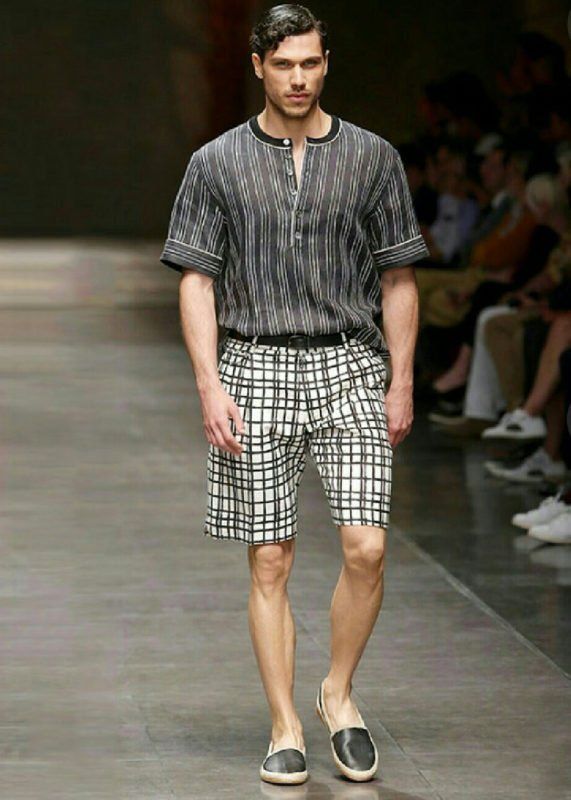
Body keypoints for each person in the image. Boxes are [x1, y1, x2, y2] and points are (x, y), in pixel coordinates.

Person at [159, 2, 429, 787]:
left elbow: (398, 276)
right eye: (283, 64)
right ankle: (284, 723)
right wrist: (209, 383)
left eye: (310, 62)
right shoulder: (215, 162)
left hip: (349, 362)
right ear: (258, 67)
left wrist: (401, 379)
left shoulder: (371, 157)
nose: (298, 78)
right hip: (254, 364)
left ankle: (336, 694)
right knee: (270, 558)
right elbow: (196, 280)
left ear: (325, 63)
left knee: (367, 547)